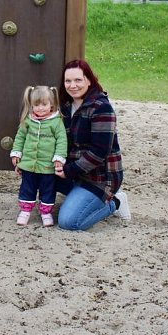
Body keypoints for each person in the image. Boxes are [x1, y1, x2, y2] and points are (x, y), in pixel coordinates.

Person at [55, 59, 130, 230]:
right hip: (74, 172)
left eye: (78, 80)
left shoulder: (101, 108)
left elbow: (99, 152)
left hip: (100, 178)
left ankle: (114, 203)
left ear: (89, 80)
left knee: (69, 222)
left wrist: (68, 171)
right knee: (37, 175)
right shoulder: (65, 107)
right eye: (68, 81)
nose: (72, 85)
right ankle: (79, 197)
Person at [10, 85, 68, 227]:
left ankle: (45, 212)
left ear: (51, 105)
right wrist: (16, 153)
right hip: (29, 164)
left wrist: (59, 158)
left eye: (44, 104)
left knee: (47, 189)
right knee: (27, 188)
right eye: (36, 105)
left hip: (47, 166)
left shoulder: (56, 122)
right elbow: (20, 137)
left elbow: (62, 140)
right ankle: (25, 210)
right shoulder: (28, 120)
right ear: (31, 105)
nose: (40, 108)